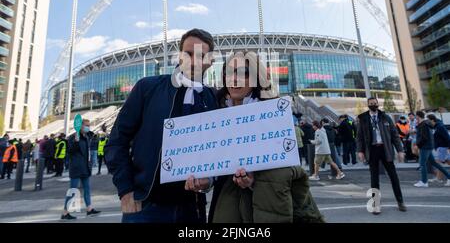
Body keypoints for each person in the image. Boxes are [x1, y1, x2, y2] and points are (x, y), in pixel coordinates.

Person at [105, 29, 219, 223]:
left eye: (200, 55)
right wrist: (126, 190)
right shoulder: (148, 88)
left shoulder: (213, 98)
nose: (193, 60)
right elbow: (116, 141)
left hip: (192, 208)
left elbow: (219, 149)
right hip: (147, 206)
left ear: (210, 60)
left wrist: (209, 181)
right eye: (188, 53)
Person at [209, 51, 324, 223]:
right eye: (229, 72)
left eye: (243, 73)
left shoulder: (274, 114)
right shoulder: (213, 115)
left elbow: (288, 170)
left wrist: (255, 182)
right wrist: (206, 182)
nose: (234, 79)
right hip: (226, 205)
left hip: (269, 206)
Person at [356, 97, 407, 214]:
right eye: (371, 104)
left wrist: (400, 150)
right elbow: (359, 137)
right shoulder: (363, 119)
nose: (373, 105)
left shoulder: (385, 117)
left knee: (393, 177)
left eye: (375, 103)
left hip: (386, 149)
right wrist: (360, 151)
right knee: (374, 179)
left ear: (378, 104)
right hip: (372, 150)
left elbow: (394, 135)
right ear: (368, 105)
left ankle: (400, 202)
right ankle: (376, 205)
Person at [61, 119, 101, 220]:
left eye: (89, 125)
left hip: (85, 167)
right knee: (73, 190)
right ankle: (65, 213)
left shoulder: (86, 137)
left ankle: (89, 209)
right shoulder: (73, 137)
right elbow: (69, 151)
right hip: (76, 167)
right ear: (81, 126)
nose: (88, 127)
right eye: (86, 125)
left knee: (87, 189)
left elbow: (91, 137)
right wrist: (75, 142)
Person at [413, 111, 450, 188]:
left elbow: (424, 137)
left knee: (422, 164)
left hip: (425, 147)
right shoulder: (427, 124)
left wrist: (418, 145)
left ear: (418, 116)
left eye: (416, 116)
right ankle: (448, 176)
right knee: (434, 163)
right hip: (428, 146)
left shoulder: (423, 125)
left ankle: (424, 182)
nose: (415, 118)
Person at [427, 114, 450, 183]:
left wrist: (449, 147)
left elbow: (447, 137)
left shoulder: (440, 127)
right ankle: (438, 178)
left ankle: (439, 178)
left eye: (428, 120)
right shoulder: (435, 127)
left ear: (432, 120)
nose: (427, 122)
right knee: (442, 163)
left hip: (443, 147)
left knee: (438, 163)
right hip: (440, 147)